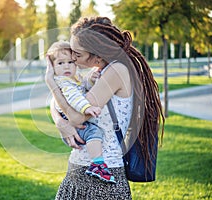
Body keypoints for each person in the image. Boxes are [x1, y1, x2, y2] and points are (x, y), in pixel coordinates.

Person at [45, 16, 164, 200]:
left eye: (77, 54)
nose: (73, 59)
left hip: (104, 180)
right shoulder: (96, 73)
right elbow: (60, 103)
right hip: (76, 173)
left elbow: (76, 118)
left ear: (97, 54)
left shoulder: (116, 72)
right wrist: (60, 121)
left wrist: (51, 84)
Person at [46, 40, 116, 183]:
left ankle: (97, 163)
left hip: (70, 115)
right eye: (60, 63)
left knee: (94, 132)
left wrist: (90, 80)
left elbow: (83, 88)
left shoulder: (73, 78)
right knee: (93, 132)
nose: (66, 66)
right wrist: (87, 108)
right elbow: (75, 98)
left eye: (70, 62)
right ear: (52, 68)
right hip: (71, 117)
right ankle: (97, 164)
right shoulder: (64, 82)